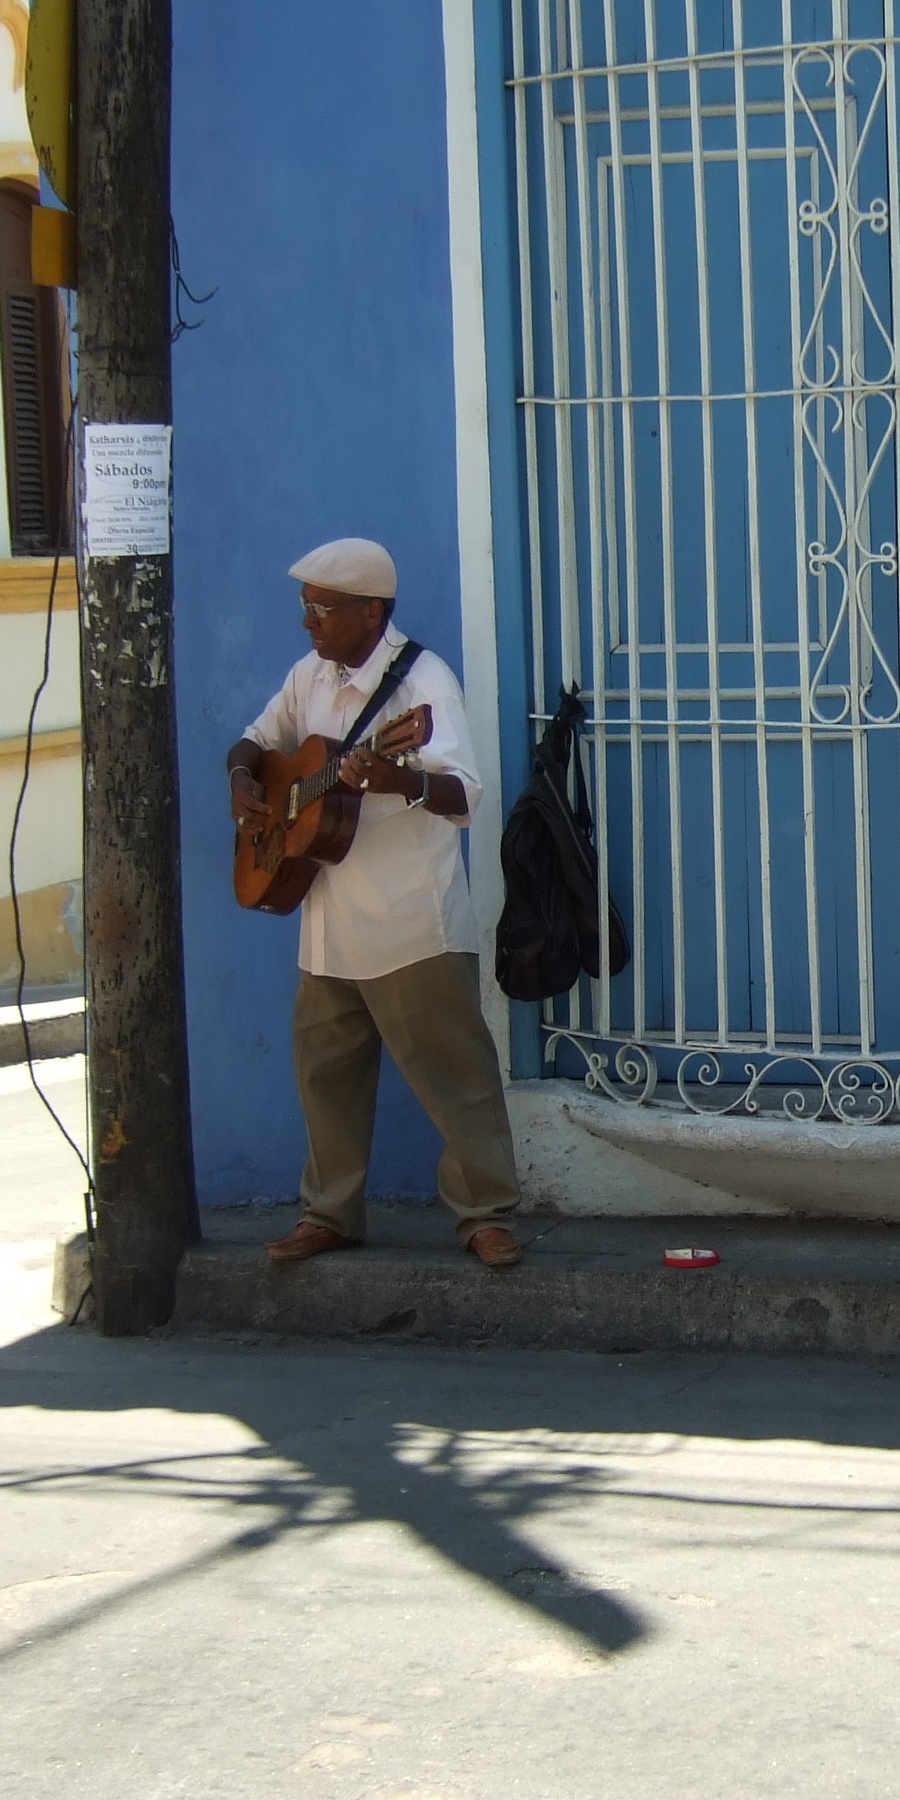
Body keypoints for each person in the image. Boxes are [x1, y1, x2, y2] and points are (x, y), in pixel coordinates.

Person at [226, 539, 527, 1270]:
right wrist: (240, 781)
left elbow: (463, 792)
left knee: (455, 1074)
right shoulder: (311, 678)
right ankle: (329, 1211)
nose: (309, 623)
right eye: (306, 608)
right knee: (325, 1074)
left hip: (408, 921)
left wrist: (395, 781)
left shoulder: (424, 681)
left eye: (322, 610)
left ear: (372, 613)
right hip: (326, 920)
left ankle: (485, 1214)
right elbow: (256, 741)